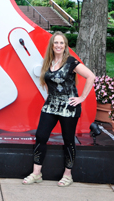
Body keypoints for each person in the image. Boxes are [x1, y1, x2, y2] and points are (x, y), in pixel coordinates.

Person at [22, 31, 95, 187]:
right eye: (56, 42)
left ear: (65, 46)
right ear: (52, 45)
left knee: (68, 140)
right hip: (51, 105)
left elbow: (91, 76)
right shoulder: (48, 62)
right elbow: (49, 83)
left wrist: (81, 98)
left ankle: (68, 175)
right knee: (41, 136)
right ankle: (36, 174)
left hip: (68, 108)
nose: (59, 45)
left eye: (62, 43)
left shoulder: (71, 62)